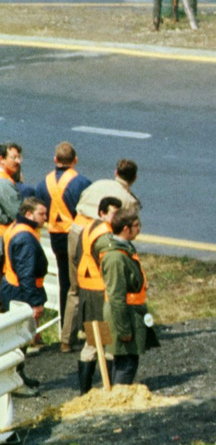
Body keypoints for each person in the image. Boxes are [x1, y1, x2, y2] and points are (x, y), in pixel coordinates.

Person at [64, 158, 139, 354]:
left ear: (115, 172)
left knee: (76, 288)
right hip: (100, 236)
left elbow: (78, 202)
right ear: (134, 178)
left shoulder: (97, 184)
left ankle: (67, 340)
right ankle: (104, 340)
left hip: (77, 230)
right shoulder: (128, 200)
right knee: (104, 289)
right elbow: (128, 230)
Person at [35, 142, 92, 352]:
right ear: (75, 160)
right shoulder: (81, 183)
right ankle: (85, 328)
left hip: (56, 237)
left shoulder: (43, 183)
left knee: (65, 283)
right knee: (84, 280)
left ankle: (65, 330)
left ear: (55, 160)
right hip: (76, 235)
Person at [95, 208, 155, 385]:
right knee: (126, 362)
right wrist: (124, 330)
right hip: (123, 315)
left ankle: (117, 393)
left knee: (124, 358)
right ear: (125, 229)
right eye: (136, 225)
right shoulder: (115, 258)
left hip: (130, 311)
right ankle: (119, 395)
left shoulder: (123, 249)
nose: (139, 228)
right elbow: (116, 296)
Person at [1, 197, 49, 397]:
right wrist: (34, 304)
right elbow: (26, 274)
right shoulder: (25, 238)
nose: (46, 218)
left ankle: (19, 376)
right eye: (41, 214)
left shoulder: (16, 227)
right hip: (20, 292)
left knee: (18, 338)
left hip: (12, 287)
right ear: (29, 214)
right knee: (19, 339)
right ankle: (14, 381)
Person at [75, 196, 121, 394]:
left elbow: (76, 257)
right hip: (100, 294)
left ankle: (86, 390)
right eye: (114, 214)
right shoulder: (105, 236)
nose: (117, 218)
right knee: (104, 341)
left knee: (93, 340)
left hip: (87, 292)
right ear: (102, 213)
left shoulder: (87, 228)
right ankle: (106, 387)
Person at [0, 143, 23, 238]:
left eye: (19, 157)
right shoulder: (4, 183)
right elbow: (16, 213)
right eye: (14, 158)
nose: (18, 161)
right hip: (4, 235)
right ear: (1, 159)